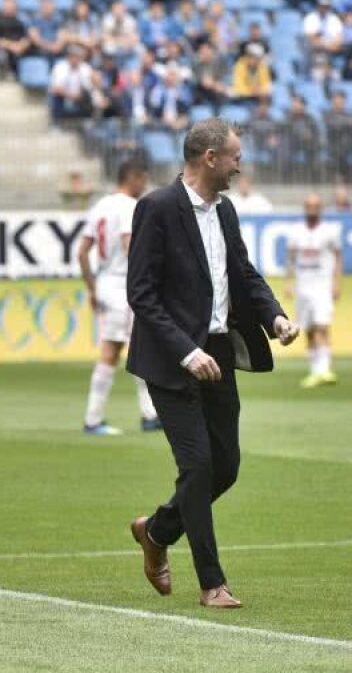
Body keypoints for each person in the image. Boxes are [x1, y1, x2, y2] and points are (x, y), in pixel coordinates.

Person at [127, 118, 298, 610]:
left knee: (225, 468)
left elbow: (243, 272)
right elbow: (141, 293)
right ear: (210, 158)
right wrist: (187, 350)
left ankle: (157, 531)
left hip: (219, 354)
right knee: (198, 466)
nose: (240, 165)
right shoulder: (157, 207)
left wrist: (274, 316)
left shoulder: (225, 210)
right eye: (235, 157)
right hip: (172, 361)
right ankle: (212, 583)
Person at [77, 161, 160, 436]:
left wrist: (92, 289)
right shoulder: (129, 207)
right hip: (123, 286)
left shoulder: (100, 206)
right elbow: (129, 247)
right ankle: (93, 420)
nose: (145, 186)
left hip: (106, 283)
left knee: (139, 346)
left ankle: (150, 414)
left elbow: (82, 252)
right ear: (133, 177)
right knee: (116, 350)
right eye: (143, 180)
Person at [286, 194, 342, 388]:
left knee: (322, 325)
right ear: (305, 208)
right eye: (309, 206)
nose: (312, 209)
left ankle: (324, 370)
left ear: (320, 208)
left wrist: (336, 282)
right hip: (303, 287)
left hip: (322, 286)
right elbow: (291, 258)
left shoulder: (329, 231)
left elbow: (338, 256)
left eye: (316, 206)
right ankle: (314, 371)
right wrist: (289, 282)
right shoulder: (296, 231)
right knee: (308, 329)